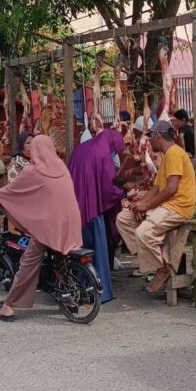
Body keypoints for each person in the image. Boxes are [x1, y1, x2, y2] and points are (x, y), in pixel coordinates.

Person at [0, 135, 82, 321]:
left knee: (28, 263)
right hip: (71, 223)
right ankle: (70, 299)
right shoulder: (62, 167)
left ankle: (8, 306)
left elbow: (12, 192)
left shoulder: (34, 171)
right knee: (62, 260)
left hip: (48, 226)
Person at [116, 120, 196, 292]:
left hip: (178, 207)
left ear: (158, 135)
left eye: (151, 136)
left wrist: (146, 206)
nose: (149, 141)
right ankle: (157, 256)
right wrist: (141, 204)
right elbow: (156, 187)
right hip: (166, 205)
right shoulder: (168, 155)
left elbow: (171, 189)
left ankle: (163, 267)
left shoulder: (174, 153)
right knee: (123, 218)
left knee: (142, 232)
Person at [67, 129, 126, 302]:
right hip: (92, 208)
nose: (115, 153)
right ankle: (99, 291)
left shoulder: (81, 149)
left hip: (75, 207)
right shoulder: (103, 153)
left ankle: (79, 286)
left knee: (79, 249)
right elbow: (108, 188)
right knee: (96, 250)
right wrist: (122, 192)